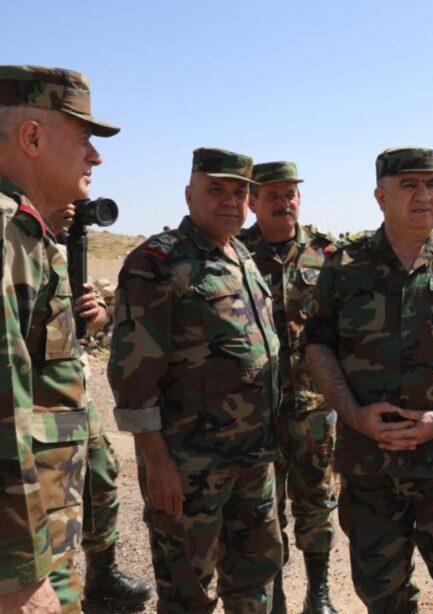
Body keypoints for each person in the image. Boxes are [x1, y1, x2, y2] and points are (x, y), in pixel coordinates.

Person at [306, 146, 433, 614]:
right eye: (409, 185)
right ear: (381, 196)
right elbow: (318, 345)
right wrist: (354, 416)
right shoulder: (344, 265)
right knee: (383, 596)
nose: (424, 196)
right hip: (369, 466)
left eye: (432, 184)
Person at [108, 147, 284, 613]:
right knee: (188, 592)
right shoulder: (157, 262)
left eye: (239, 192)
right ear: (189, 194)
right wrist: (158, 463)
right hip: (189, 467)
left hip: (252, 459)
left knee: (253, 580)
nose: (230, 201)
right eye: (216, 190)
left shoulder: (242, 254)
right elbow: (133, 376)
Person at [0, 64, 119, 614]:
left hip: (47, 535)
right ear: (32, 137)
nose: (94, 156)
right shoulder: (5, 239)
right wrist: (19, 575)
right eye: (84, 139)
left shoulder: (30, 234)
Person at [237, 161, 338, 614]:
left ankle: (318, 594)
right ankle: (274, 598)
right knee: (265, 508)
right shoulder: (235, 255)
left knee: (317, 500)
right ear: (253, 201)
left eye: (290, 194)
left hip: (314, 407)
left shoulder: (326, 254)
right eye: (272, 195)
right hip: (255, 412)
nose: (284, 203)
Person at [44, 204, 155, 609]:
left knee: (100, 475)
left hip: (72, 383)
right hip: (37, 397)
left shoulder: (50, 243)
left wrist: (94, 315)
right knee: (49, 498)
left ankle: (102, 575)